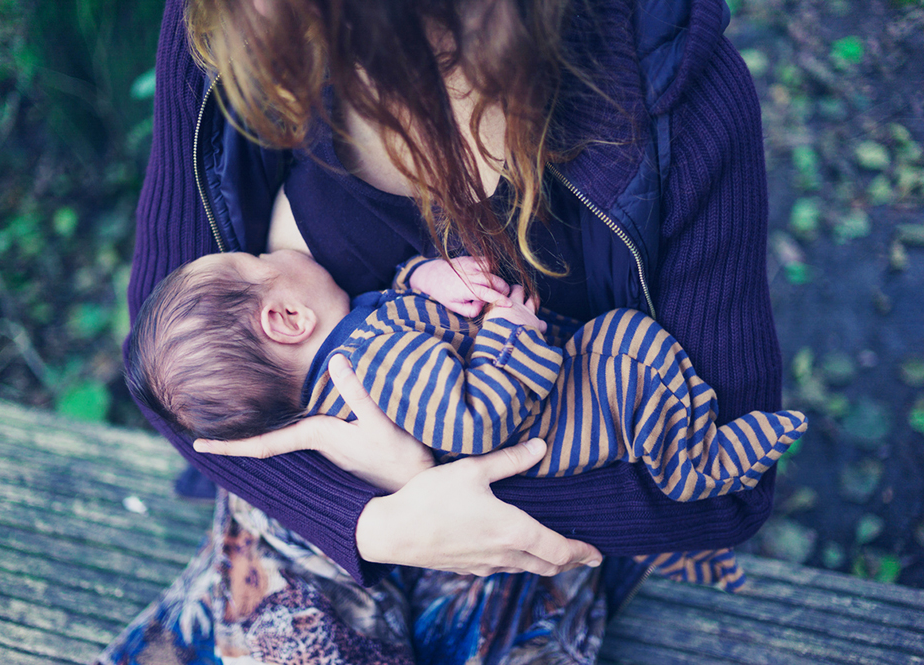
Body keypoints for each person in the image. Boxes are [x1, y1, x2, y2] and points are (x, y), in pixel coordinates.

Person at [100, 0, 784, 661]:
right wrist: (369, 519)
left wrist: (431, 485)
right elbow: (171, 384)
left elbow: (729, 493)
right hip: (306, 496)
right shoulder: (235, 20)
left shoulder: (673, 98)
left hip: (530, 527)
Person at [127, 246, 805, 502]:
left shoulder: (355, 347)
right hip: (569, 416)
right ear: (285, 317)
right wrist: (510, 333)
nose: (275, 250)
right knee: (630, 352)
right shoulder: (375, 362)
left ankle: (690, 436)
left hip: (556, 401)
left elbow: (396, 309)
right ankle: (693, 463)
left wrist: (423, 276)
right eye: (257, 258)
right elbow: (474, 421)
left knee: (632, 349)